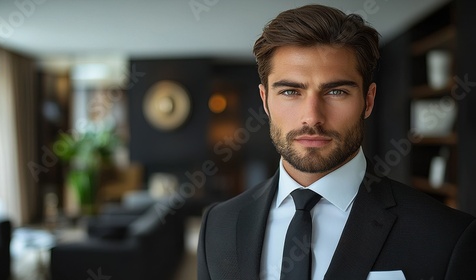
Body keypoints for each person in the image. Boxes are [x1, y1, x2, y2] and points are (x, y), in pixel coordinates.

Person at [197, 4, 476, 280]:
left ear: (368, 100)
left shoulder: (447, 236)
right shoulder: (218, 225)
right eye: (291, 91)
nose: (312, 117)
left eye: (336, 91)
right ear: (265, 101)